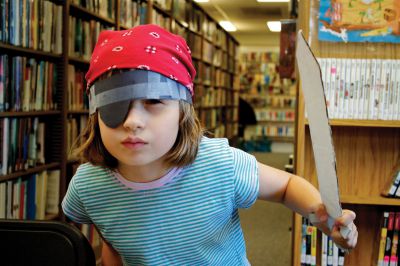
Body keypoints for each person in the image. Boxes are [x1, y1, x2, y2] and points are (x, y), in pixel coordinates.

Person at [62, 24, 357, 266]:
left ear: (183, 111)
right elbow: (113, 245)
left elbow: (286, 186)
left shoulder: (220, 164)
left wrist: (319, 213)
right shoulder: (89, 186)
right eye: (116, 105)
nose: (133, 121)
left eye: (154, 101)